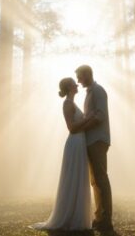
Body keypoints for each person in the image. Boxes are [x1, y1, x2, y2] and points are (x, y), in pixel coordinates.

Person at [30, 77, 95, 231]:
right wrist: (88, 118)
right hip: (74, 143)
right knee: (73, 177)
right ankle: (67, 216)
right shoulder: (67, 104)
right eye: (74, 83)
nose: (77, 84)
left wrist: (86, 119)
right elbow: (71, 127)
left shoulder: (72, 103)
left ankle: (76, 215)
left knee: (78, 177)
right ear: (69, 87)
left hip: (80, 143)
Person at [76, 64, 114, 235]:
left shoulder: (98, 91)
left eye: (80, 76)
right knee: (95, 180)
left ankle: (106, 220)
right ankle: (99, 218)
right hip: (92, 140)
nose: (78, 80)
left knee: (101, 178)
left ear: (87, 74)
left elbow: (100, 116)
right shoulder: (89, 93)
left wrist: (83, 127)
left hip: (98, 139)